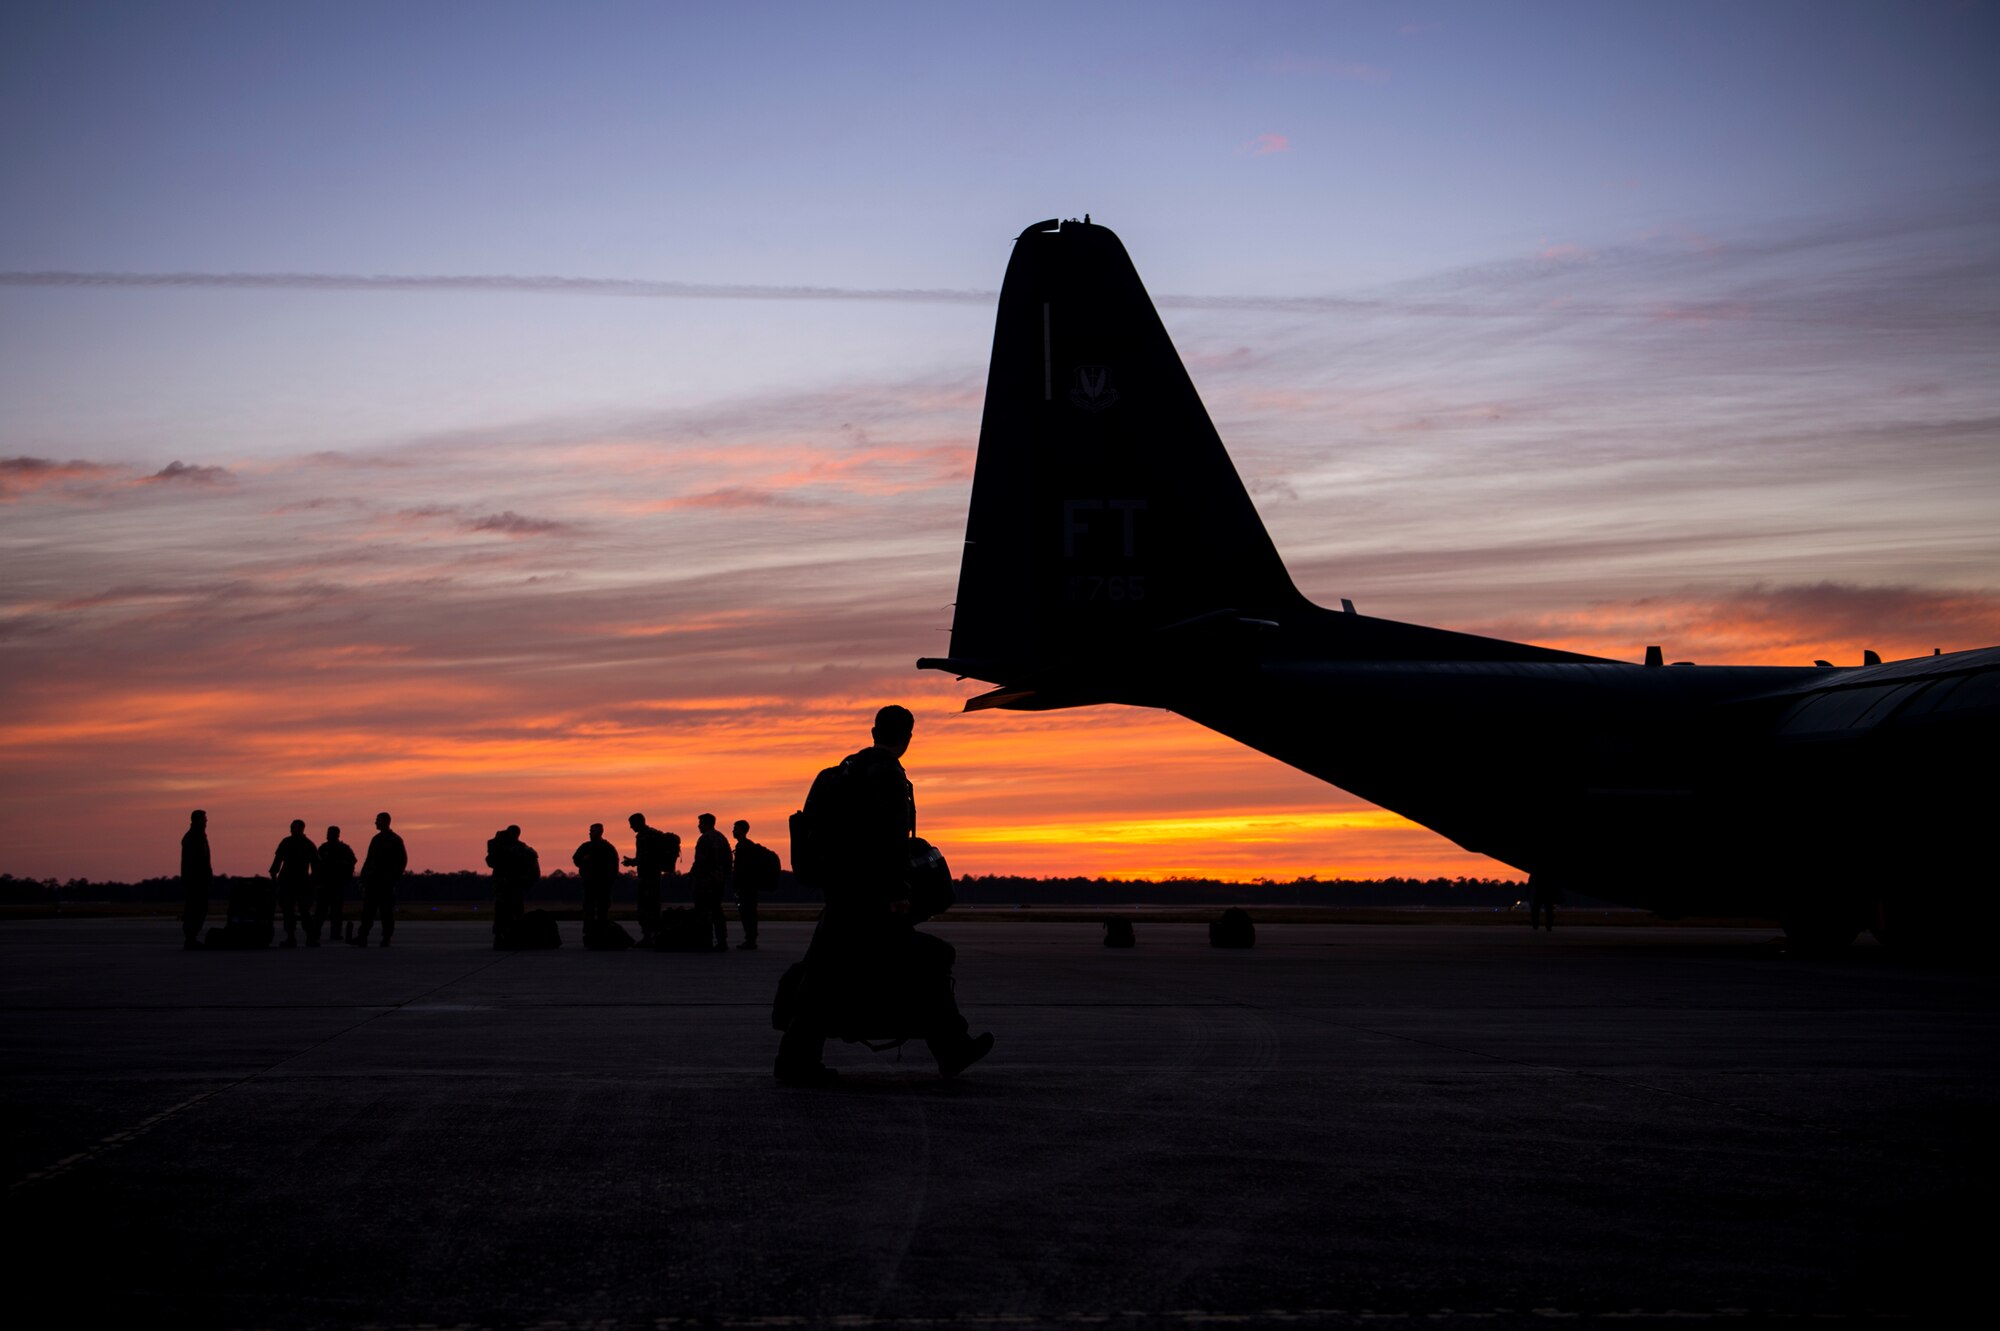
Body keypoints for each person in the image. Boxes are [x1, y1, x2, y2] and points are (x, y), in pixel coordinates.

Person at [774, 705, 992, 1086]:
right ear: (907, 737)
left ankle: (795, 1060)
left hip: (838, 894)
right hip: (869, 898)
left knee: (824, 974)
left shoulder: (839, 772)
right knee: (927, 961)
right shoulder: (886, 776)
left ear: (873, 730)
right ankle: (952, 1048)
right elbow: (890, 842)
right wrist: (897, 893)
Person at [351, 812, 406, 947]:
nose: (376, 823)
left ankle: (386, 938)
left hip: (386, 883)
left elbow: (402, 860)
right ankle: (362, 936)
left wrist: (393, 878)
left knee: (386, 912)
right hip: (373, 882)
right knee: (367, 911)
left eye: (378, 820)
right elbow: (369, 860)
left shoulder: (395, 840)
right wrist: (363, 878)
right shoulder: (376, 839)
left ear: (386, 821)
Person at [623, 813, 679, 946]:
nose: (631, 827)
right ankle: (653, 935)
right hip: (653, 876)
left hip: (648, 876)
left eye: (632, 824)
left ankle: (648, 936)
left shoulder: (645, 837)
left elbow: (645, 857)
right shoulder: (654, 834)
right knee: (653, 905)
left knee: (646, 906)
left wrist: (632, 862)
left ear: (638, 823)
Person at [269, 818, 318, 948]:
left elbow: (316, 866)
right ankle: (291, 937)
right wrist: (274, 875)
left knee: (304, 911)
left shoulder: (308, 845)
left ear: (301, 828)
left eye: (293, 827)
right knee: (288, 911)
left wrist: (313, 882)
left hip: (302, 882)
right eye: (291, 827)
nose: (291, 829)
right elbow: (278, 859)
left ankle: (310, 937)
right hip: (287, 882)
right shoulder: (286, 842)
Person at [730, 819, 777, 950]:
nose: (733, 831)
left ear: (742, 830)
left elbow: (743, 869)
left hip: (746, 887)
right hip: (750, 886)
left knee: (747, 913)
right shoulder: (747, 846)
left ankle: (750, 940)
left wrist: (738, 884)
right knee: (749, 913)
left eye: (735, 829)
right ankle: (750, 939)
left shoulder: (743, 847)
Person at [690, 813, 731, 952]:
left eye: (701, 823)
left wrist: (693, 876)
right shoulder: (721, 838)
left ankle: (705, 941)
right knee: (717, 910)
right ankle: (722, 940)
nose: (698, 826)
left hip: (705, 881)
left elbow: (701, 862)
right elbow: (728, 860)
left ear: (707, 824)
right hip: (719, 880)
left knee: (703, 911)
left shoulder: (704, 839)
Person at [311, 826, 356, 946]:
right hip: (324, 885)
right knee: (320, 911)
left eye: (331, 833)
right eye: (328, 832)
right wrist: (317, 881)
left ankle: (335, 933)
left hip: (337, 885)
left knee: (336, 911)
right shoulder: (323, 848)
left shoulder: (343, 849)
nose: (328, 834)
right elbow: (316, 865)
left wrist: (344, 875)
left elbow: (352, 862)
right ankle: (315, 933)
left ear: (337, 834)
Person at [572, 823, 619, 927]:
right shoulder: (586, 847)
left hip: (604, 884)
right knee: (589, 908)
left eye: (593, 831)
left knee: (603, 908)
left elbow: (614, 867)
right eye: (590, 831)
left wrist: (609, 881)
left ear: (600, 832)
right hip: (589, 883)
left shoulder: (608, 848)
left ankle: (601, 929)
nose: (590, 833)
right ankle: (589, 930)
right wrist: (583, 861)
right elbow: (576, 859)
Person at [179, 809, 212, 949]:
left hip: (200, 879)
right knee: (194, 908)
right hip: (195, 880)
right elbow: (194, 861)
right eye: (204, 819)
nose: (206, 822)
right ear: (197, 820)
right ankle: (190, 937)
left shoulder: (199, 836)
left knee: (200, 908)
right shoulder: (192, 837)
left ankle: (192, 937)